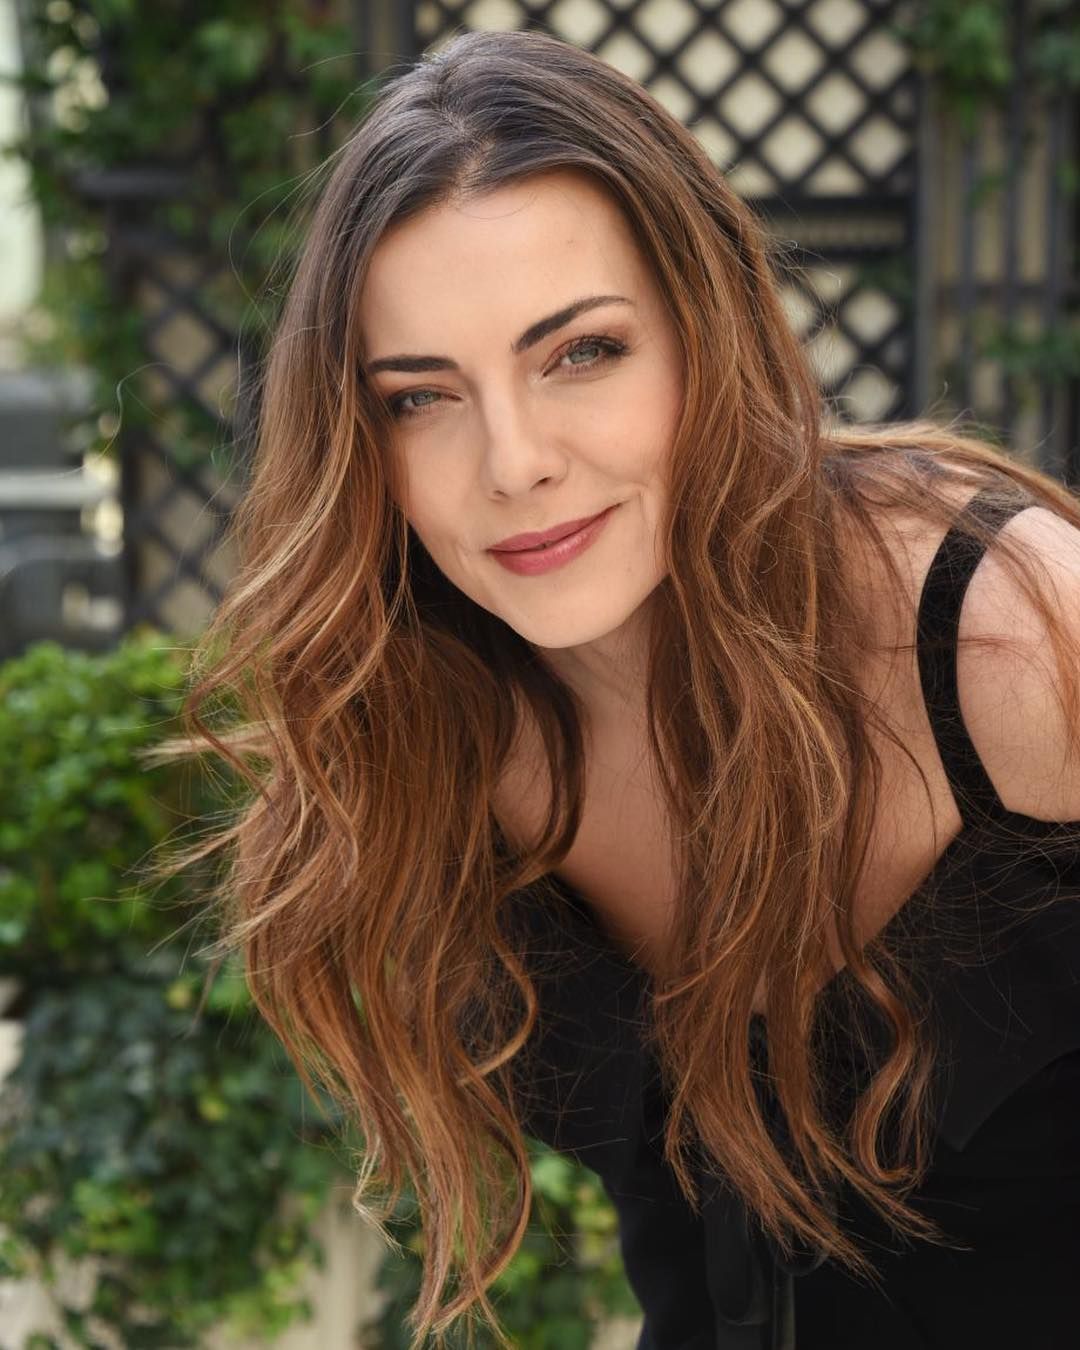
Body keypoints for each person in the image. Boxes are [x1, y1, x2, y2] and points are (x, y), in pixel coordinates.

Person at [157, 26, 1080, 1350]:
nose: (514, 462)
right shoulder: (429, 725)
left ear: (708, 334)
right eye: (420, 398)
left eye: (581, 352)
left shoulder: (1008, 640)